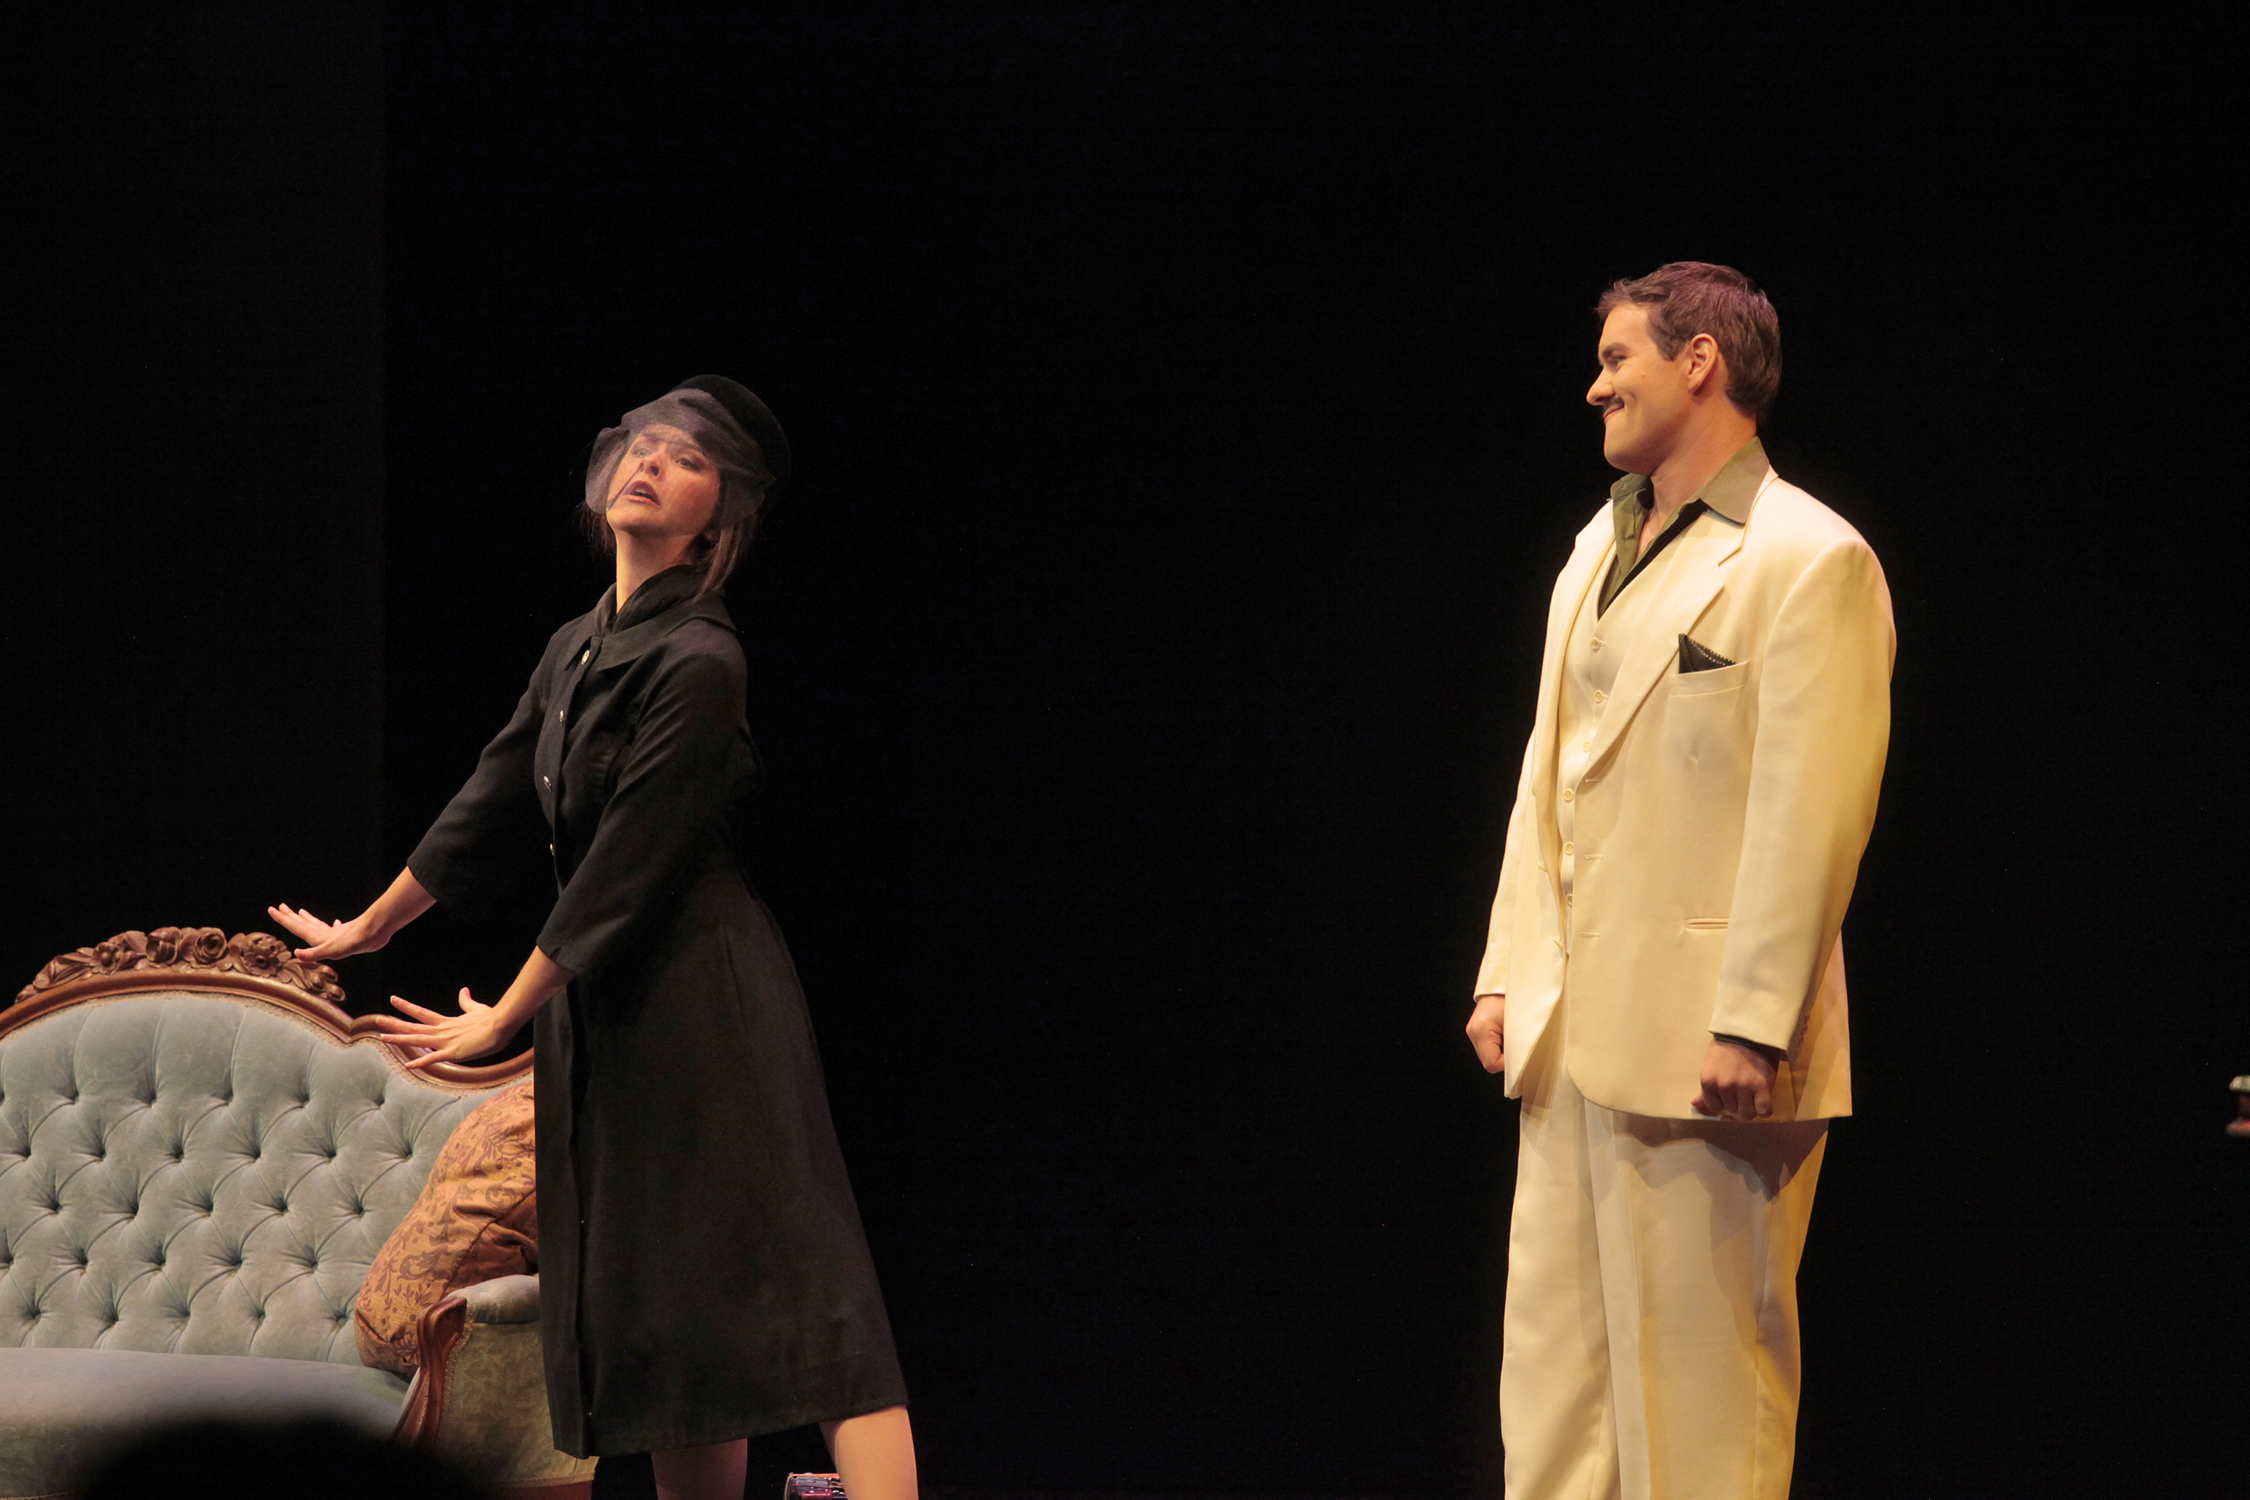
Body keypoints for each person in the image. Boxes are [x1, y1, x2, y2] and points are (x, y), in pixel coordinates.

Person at [271, 377, 917, 1500]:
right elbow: (493, 796)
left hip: (703, 1003)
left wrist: (504, 1019)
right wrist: (369, 928)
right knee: (666, 1320)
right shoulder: (578, 644)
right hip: (609, 1008)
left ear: (720, 520)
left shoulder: (702, 661)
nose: (651, 464)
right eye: (643, 445)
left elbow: (625, 870)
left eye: (687, 460)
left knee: (808, 1302)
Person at [1465, 264, 1892, 1499]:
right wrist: (1507, 970)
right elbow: (1550, 771)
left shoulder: (1808, 558)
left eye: (1619, 357)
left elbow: (1811, 815)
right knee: (1556, 1401)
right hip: (1572, 1033)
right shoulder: (1595, 548)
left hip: (1712, 1051)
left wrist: (1752, 1022)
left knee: (1697, 1414)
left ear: (1700, 360)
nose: (1596, 382)